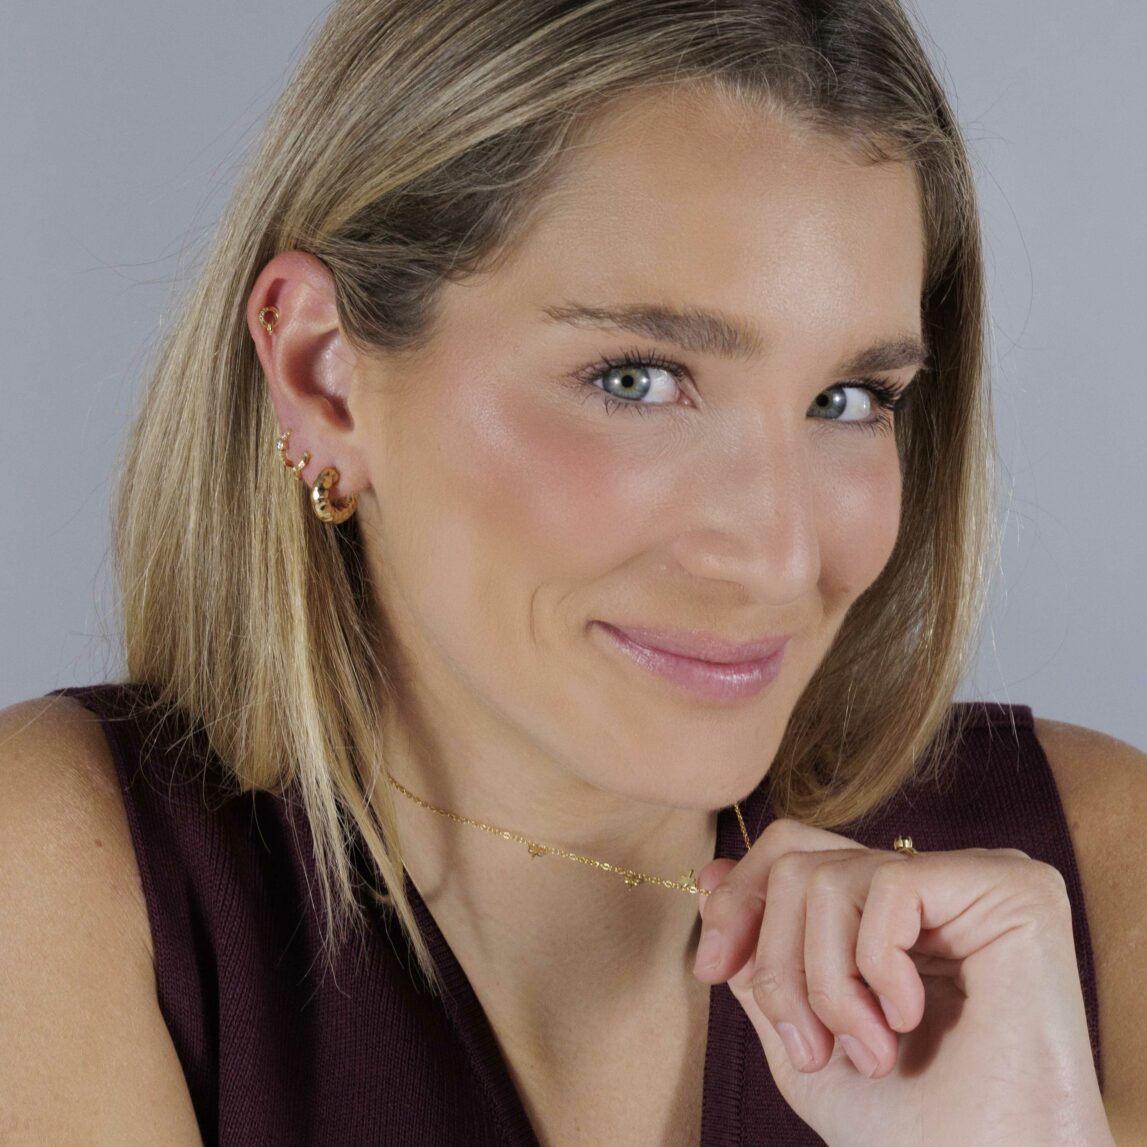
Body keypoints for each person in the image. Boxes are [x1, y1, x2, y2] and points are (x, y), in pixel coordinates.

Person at [1, 0, 1144, 1144]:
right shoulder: (68, 869)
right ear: (324, 375)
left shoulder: (1092, 871)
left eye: (849, 400)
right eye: (636, 379)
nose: (779, 557)